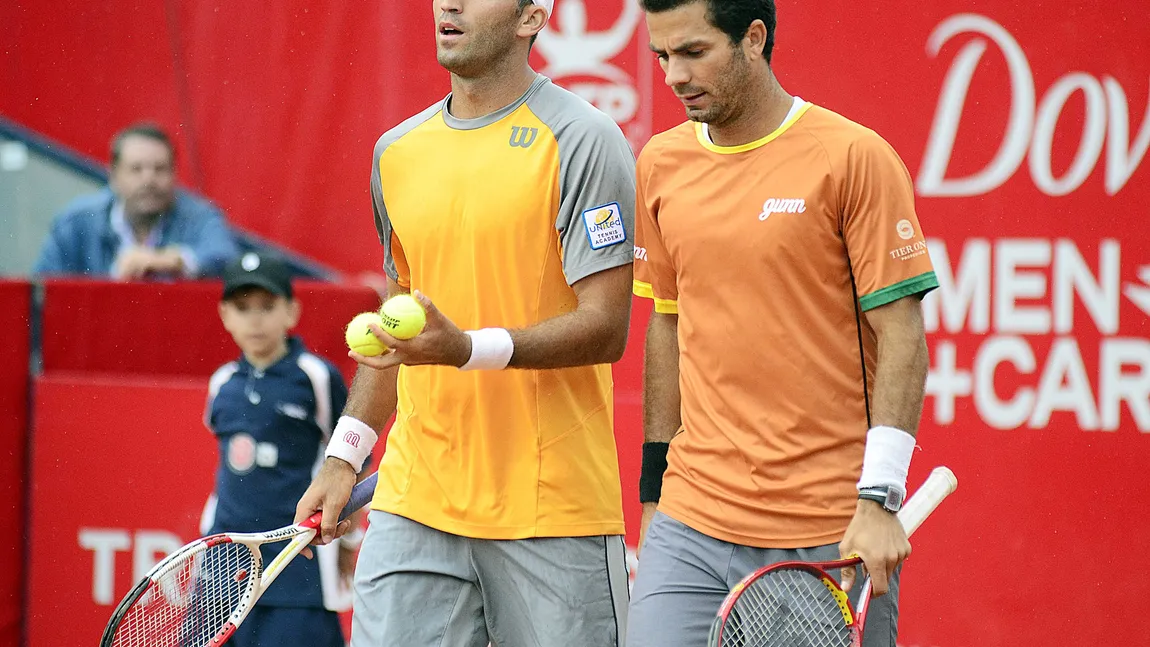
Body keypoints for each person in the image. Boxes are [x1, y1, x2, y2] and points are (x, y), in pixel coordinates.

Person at [293, 1, 637, 645]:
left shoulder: (586, 137)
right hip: (414, 499)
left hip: (551, 507)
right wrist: (344, 456)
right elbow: (397, 332)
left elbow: (606, 327)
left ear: (532, 17)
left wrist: (465, 350)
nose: (448, 4)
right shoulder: (396, 152)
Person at [627, 1, 940, 647]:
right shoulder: (659, 162)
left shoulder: (853, 157)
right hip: (691, 519)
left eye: (693, 52)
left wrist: (880, 500)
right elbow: (666, 323)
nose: (673, 76)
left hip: (825, 525)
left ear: (753, 38)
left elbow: (902, 332)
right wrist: (655, 488)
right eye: (662, 56)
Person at [203, 251, 361, 647]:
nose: (255, 319)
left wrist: (350, 544)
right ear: (224, 315)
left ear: (292, 312)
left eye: (267, 306)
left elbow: (351, 466)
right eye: (242, 308)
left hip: (297, 568)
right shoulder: (222, 383)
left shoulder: (317, 377)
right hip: (222, 567)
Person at [33, 123, 237, 279]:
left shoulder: (199, 216)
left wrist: (167, 260)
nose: (149, 180)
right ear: (113, 175)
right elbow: (42, 288)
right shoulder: (76, 222)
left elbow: (227, 258)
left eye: (159, 169)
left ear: (175, 174)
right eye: (136, 169)